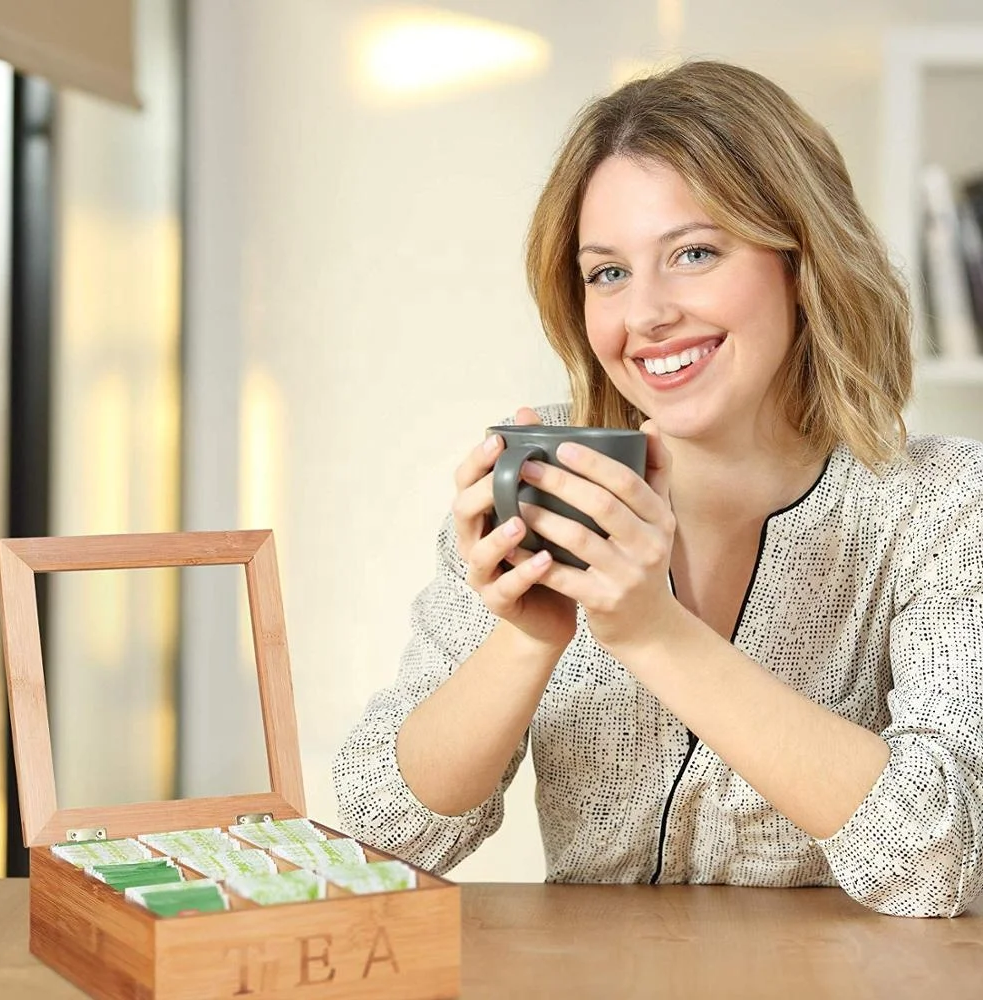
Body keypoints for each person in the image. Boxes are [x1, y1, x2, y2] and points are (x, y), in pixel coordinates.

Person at [332, 59, 983, 918]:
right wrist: (525, 640)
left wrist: (653, 634)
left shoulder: (940, 505)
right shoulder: (546, 481)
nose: (645, 315)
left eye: (694, 253)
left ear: (801, 260)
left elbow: (940, 859)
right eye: (608, 273)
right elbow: (387, 836)